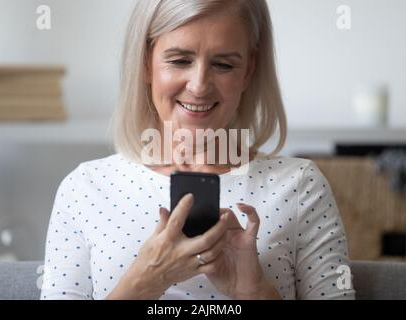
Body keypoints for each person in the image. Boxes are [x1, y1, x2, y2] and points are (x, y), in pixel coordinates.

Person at [40, 0, 355, 300]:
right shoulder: (85, 189)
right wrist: (143, 283)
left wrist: (253, 292)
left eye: (223, 64)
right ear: (146, 63)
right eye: (179, 61)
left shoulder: (300, 186)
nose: (199, 85)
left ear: (248, 71)